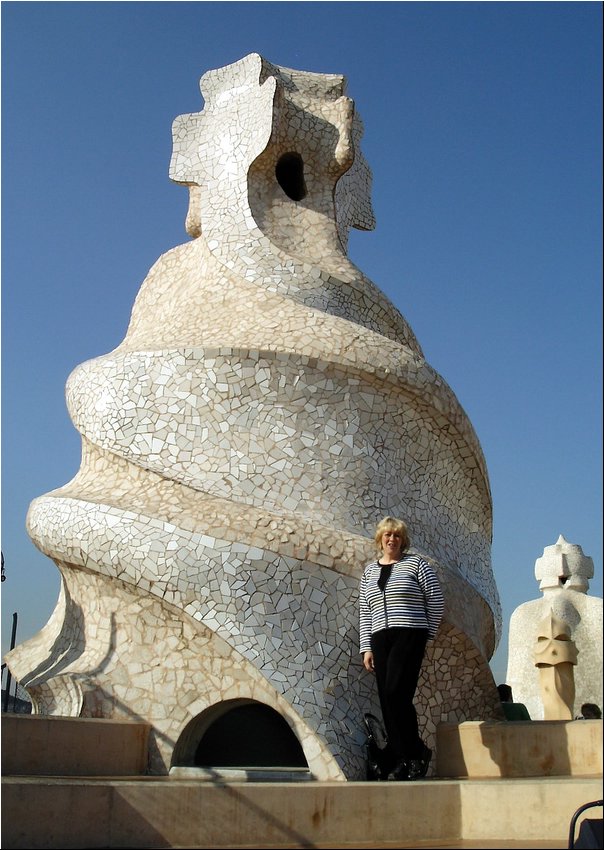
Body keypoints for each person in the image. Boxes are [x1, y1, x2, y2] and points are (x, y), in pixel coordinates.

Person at [359, 516, 444, 781]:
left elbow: (436, 599)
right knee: (388, 700)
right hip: (380, 637)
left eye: (396, 536)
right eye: (387, 535)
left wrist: (425, 634)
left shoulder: (416, 565)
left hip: (409, 633)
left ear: (402, 540)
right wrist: (366, 647)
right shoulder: (370, 572)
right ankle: (403, 757)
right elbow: (365, 610)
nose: (392, 540)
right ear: (380, 539)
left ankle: (416, 751)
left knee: (397, 692)